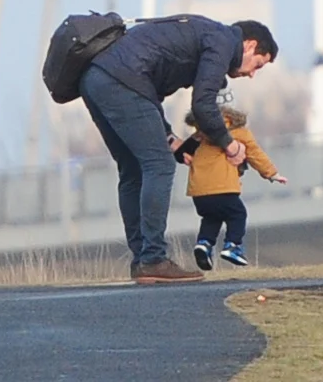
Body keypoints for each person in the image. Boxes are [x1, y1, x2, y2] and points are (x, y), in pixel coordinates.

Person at [78, 15, 279, 284]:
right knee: (159, 165)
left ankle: (143, 260)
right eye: (258, 65)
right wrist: (229, 144)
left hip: (95, 79)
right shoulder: (223, 41)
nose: (252, 74)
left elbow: (147, 91)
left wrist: (169, 137)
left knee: (133, 169)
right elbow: (203, 105)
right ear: (249, 45)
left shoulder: (204, 33)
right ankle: (153, 258)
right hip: (121, 82)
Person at [182, 100, 287, 270]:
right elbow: (254, 153)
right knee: (237, 214)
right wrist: (272, 174)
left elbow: (182, 152)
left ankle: (204, 244)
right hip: (222, 187)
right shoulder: (238, 132)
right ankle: (233, 245)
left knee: (211, 217)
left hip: (199, 192)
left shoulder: (200, 135)